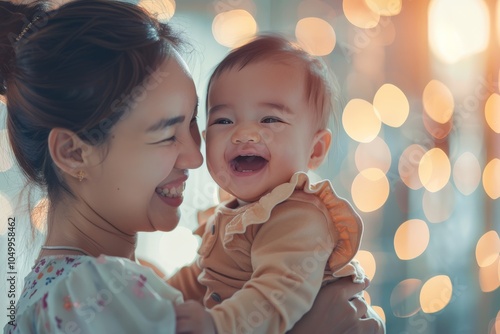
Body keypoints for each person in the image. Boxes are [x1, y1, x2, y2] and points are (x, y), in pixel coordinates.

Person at [0, 0, 384, 333]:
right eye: (167, 135)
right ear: (73, 153)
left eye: (193, 124)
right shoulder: (93, 296)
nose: (196, 157)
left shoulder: (82, 292)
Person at [167, 35, 383, 334]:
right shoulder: (235, 213)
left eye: (269, 119)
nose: (244, 134)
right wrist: (162, 297)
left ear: (315, 150)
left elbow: (275, 295)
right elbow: (201, 277)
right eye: (224, 121)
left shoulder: (298, 216)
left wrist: (217, 325)